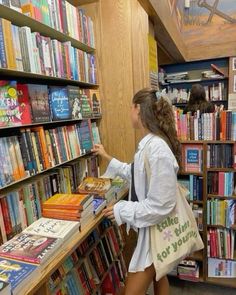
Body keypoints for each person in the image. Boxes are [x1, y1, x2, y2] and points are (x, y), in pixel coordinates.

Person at [92, 88, 181, 295]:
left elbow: (161, 205)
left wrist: (121, 209)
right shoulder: (150, 144)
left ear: (138, 109)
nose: (129, 113)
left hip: (155, 232)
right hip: (153, 232)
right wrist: (107, 157)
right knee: (160, 276)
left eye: (131, 108)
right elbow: (137, 175)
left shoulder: (157, 149)